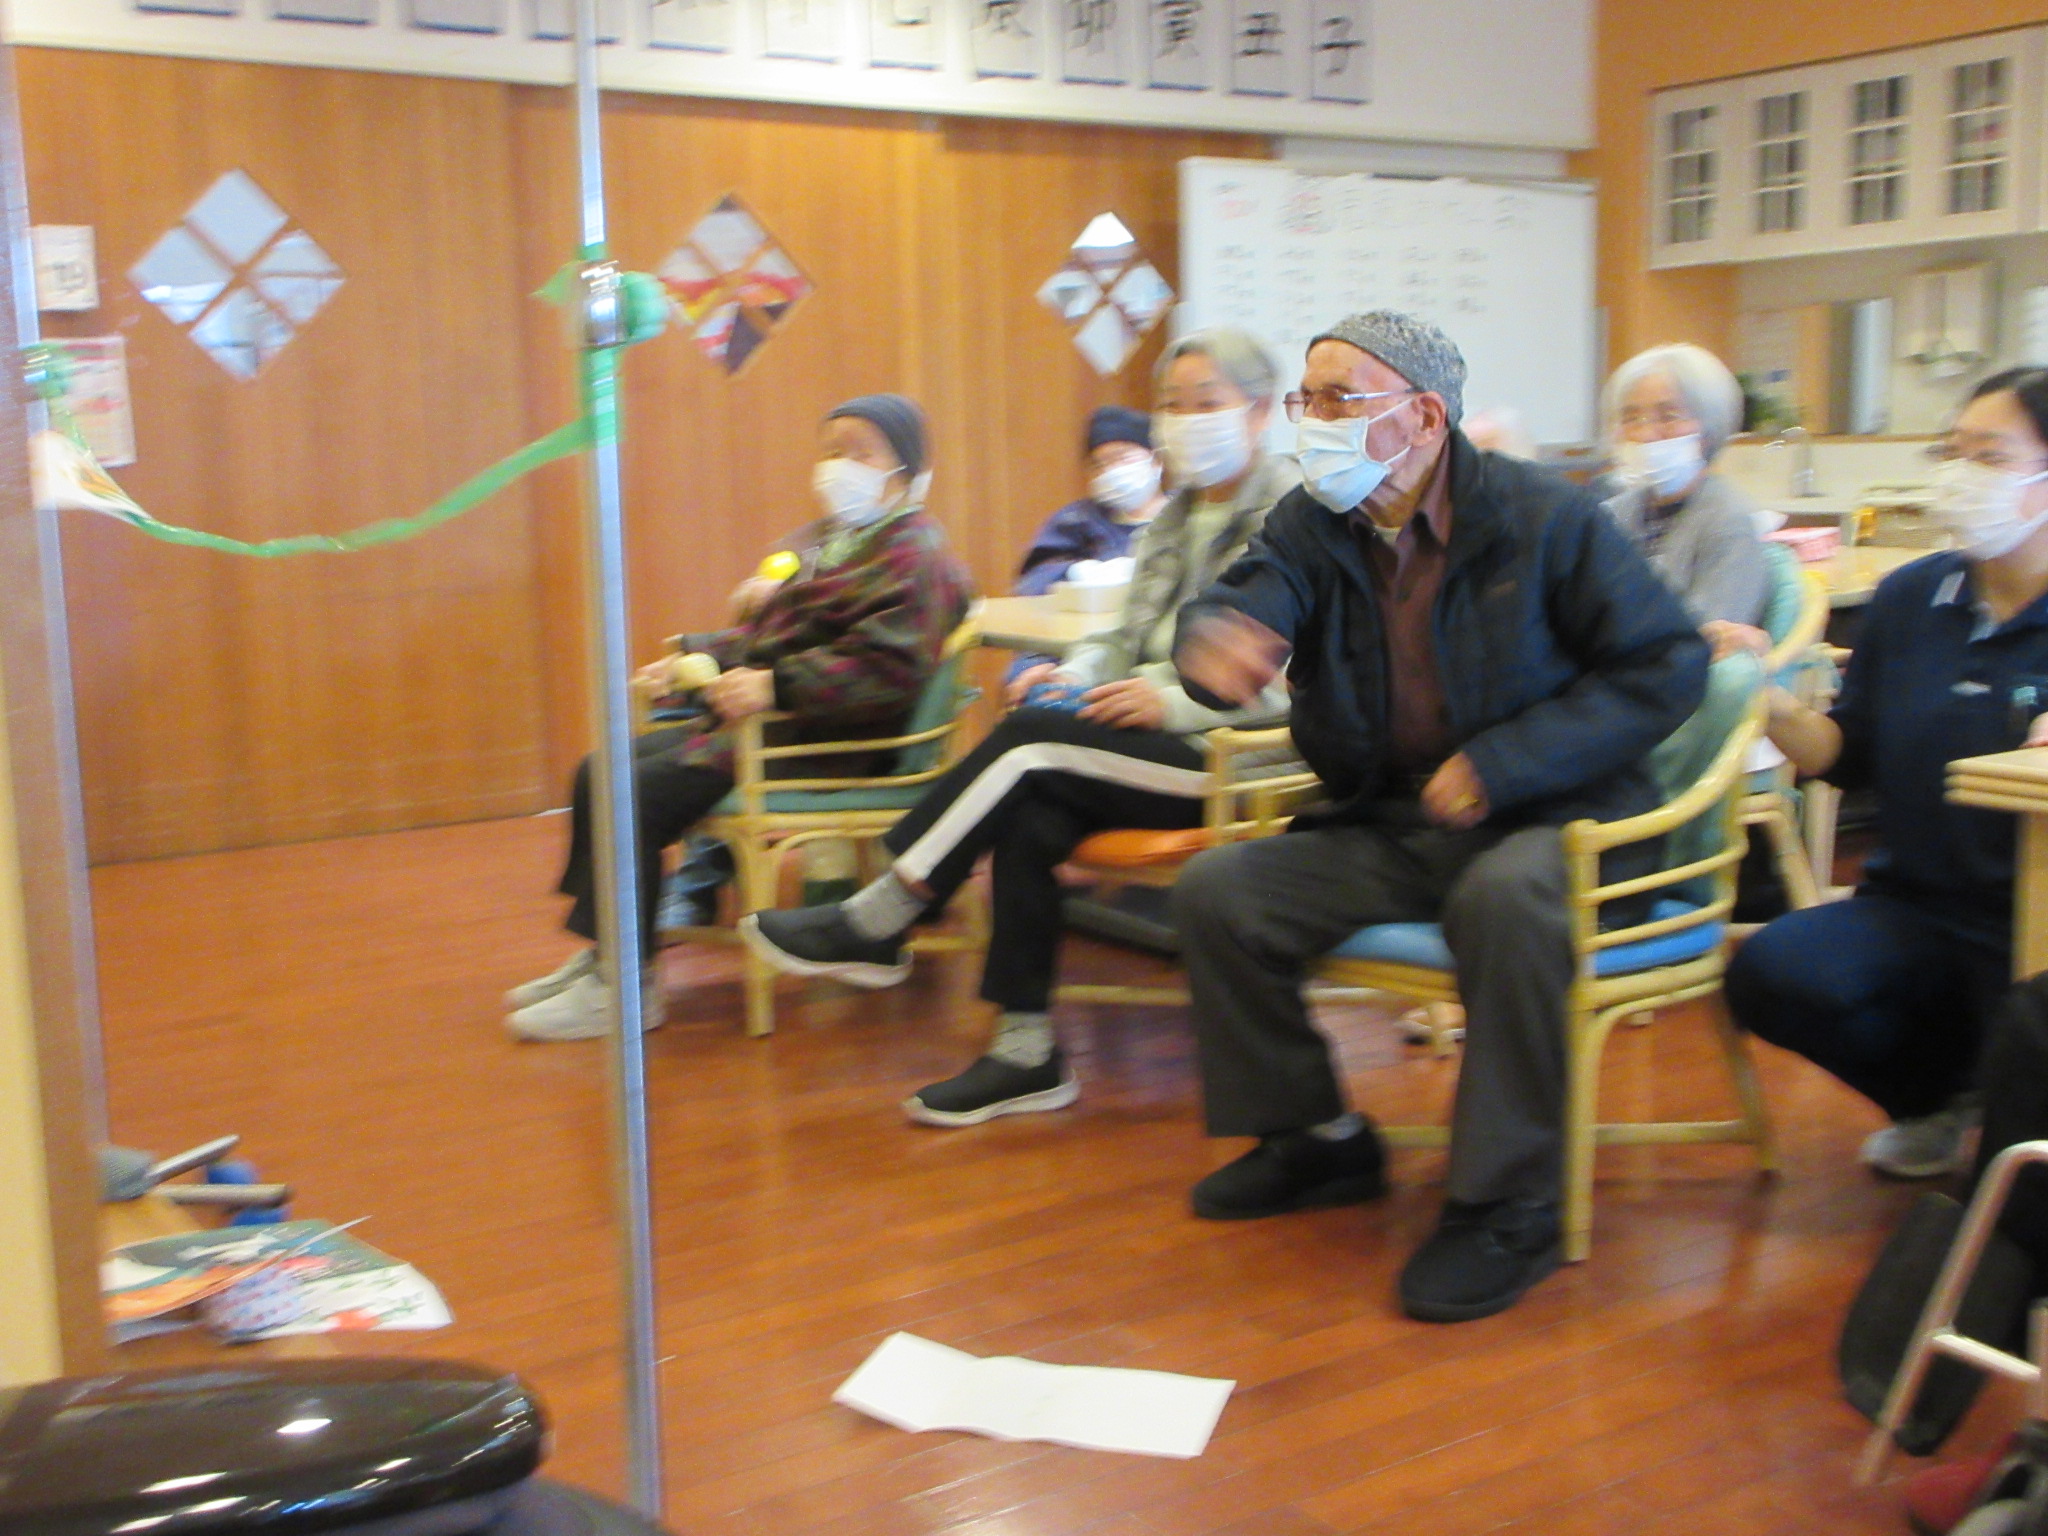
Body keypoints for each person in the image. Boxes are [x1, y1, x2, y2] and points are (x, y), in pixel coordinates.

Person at [1165, 311, 1710, 1323]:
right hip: (1392, 820)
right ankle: (1314, 1141)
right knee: (1219, 893)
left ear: (1421, 416)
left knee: (1505, 898)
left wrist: (1503, 763)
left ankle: (1509, 1203)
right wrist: (1216, 637)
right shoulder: (1310, 522)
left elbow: (1666, 663)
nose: (1311, 420)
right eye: (1305, 398)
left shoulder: (1545, 518)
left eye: (1338, 399)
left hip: (1554, 821)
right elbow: (1245, 599)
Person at [742, 328, 1298, 1125]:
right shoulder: (1176, 514)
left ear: (1260, 412)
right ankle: (1025, 1049)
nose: (1183, 421)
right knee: (1031, 808)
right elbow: (1120, 635)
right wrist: (1076, 676)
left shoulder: (1295, 518)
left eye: (1205, 403)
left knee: (1031, 744)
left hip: (1237, 752)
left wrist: (1166, 701)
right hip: (1149, 739)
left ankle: (886, 912)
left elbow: (1283, 675)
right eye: (1172, 405)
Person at [505, 393, 974, 1041]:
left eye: (859, 452)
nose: (839, 467)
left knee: (630, 793)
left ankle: (625, 988)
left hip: (826, 742)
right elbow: (773, 637)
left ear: (908, 468)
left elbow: (885, 672)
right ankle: (608, 958)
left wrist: (774, 685)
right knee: (600, 771)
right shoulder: (848, 544)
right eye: (832, 451)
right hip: (785, 728)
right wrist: (690, 657)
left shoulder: (916, 556)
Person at [1725, 367, 2048, 1178]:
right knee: (1773, 974)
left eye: (1990, 456)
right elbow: (1848, 753)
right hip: (1916, 905)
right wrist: (1764, 697)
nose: (1961, 474)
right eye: (1954, 451)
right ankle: (1938, 1100)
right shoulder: (1912, 597)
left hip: (2033, 916)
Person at [1601, 343, 1771, 649]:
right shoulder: (1610, 515)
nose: (1646, 434)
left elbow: (1708, 639)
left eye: (1668, 417)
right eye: (1631, 418)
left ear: (1709, 429)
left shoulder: (1730, 523)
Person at [1013, 405, 1167, 595]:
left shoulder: (1187, 517)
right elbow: (1032, 582)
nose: (1111, 470)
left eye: (1122, 457)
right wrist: (1077, 573)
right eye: (1099, 465)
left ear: (1156, 459)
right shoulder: (1077, 521)